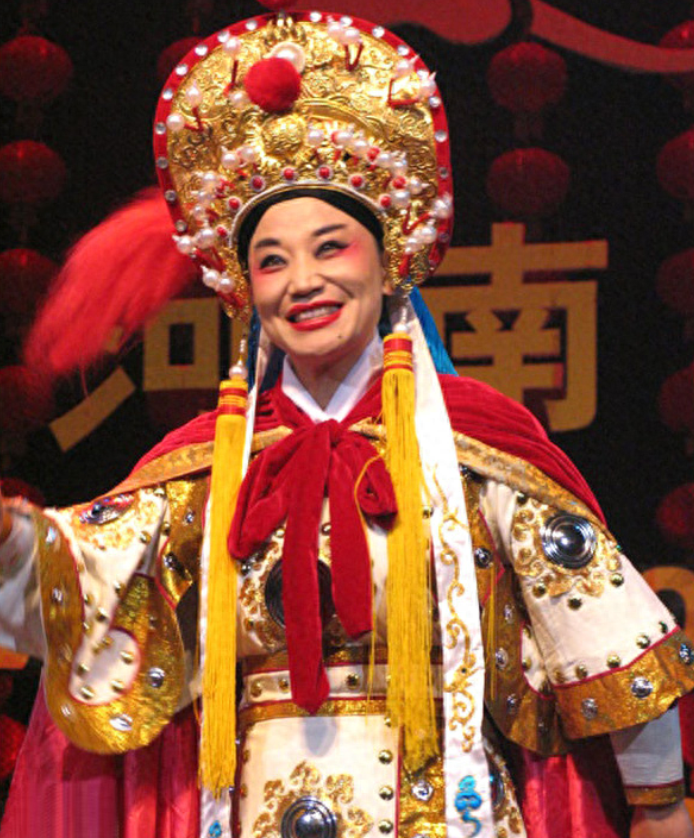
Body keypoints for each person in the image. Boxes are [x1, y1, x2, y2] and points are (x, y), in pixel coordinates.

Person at [0, 9, 693, 838]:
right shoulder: (205, 470)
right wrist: (12, 545)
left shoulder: (474, 447)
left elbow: (610, 643)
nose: (302, 281)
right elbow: (82, 599)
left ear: (388, 259)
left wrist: (660, 806)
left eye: (331, 247)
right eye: (272, 260)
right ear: (246, 289)